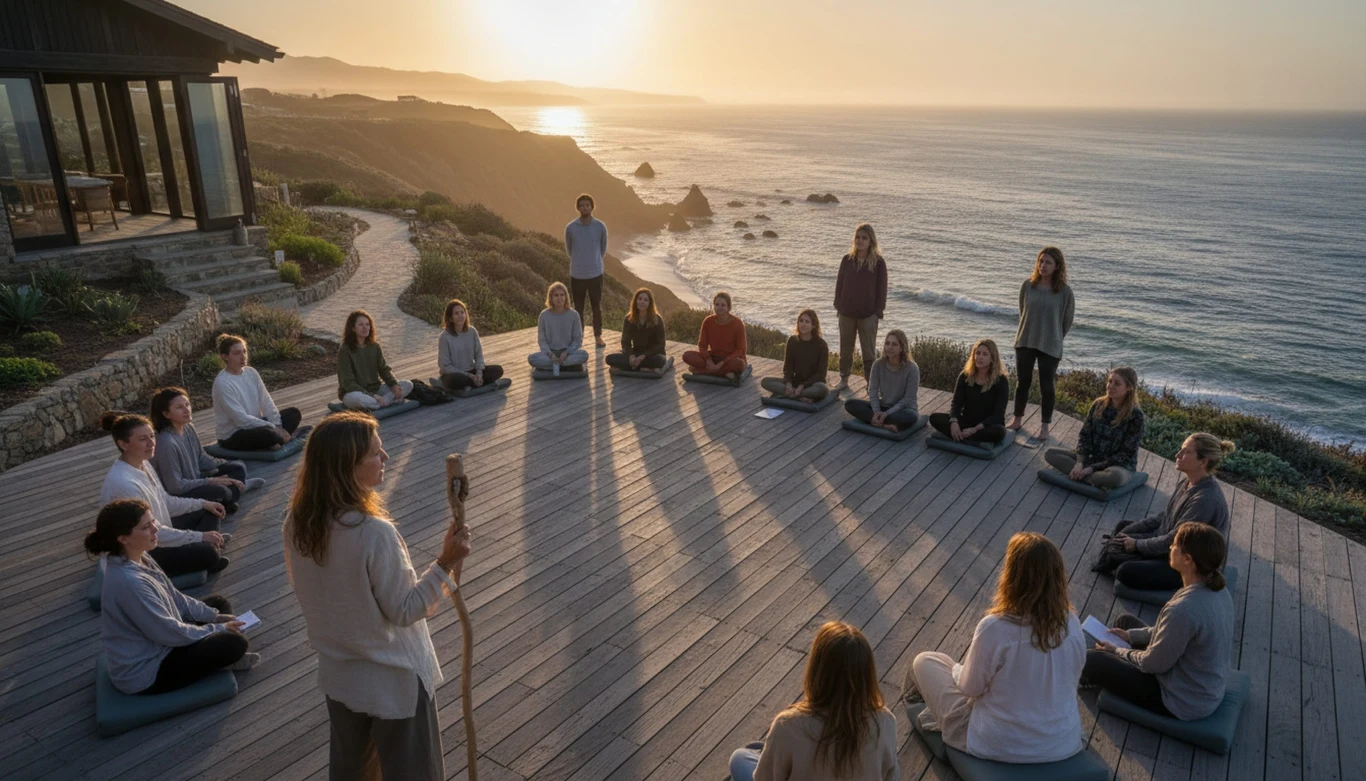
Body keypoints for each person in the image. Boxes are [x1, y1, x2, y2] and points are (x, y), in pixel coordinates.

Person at [284, 412, 472, 781]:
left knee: (352, 773)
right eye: (375, 452)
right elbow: (405, 610)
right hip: (392, 681)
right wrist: (445, 562)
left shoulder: (297, 523)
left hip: (340, 675)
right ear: (347, 467)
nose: (385, 457)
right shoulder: (373, 534)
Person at [909, 533, 1086, 763]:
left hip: (998, 743)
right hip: (1062, 742)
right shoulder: (1072, 623)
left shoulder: (995, 627)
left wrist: (957, 670)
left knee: (925, 661)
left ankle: (920, 716)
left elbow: (969, 688)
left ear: (1012, 576)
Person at [85, 499, 257, 695]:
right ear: (123, 538)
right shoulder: (130, 583)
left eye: (153, 523)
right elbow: (169, 633)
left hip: (160, 640)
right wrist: (218, 629)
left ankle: (213, 649)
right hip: (147, 670)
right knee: (235, 644)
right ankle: (219, 662)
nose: (155, 530)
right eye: (146, 527)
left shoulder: (139, 555)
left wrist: (214, 617)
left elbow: (174, 597)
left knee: (218, 605)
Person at [1083, 523, 1234, 720]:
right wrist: (1130, 636)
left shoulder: (1184, 609)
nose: (1171, 547)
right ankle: (1119, 649)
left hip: (1182, 699)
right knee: (1125, 623)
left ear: (1188, 560)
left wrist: (1117, 651)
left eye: (1176, 545)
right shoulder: (1218, 589)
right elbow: (1173, 631)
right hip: (1196, 680)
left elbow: (1151, 664)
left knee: (1091, 660)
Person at [729, 621, 898, 781]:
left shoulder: (789, 725)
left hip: (787, 744)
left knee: (740, 757)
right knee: (757, 749)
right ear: (867, 674)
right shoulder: (884, 722)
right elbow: (892, 776)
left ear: (817, 670)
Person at [98, 412, 230, 577]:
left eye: (152, 436)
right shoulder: (125, 484)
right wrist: (198, 536)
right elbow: (153, 533)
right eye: (142, 439)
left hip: (158, 530)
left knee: (211, 508)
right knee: (208, 554)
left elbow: (166, 502)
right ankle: (209, 549)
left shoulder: (143, 463)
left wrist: (202, 504)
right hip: (145, 549)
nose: (152, 443)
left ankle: (210, 545)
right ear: (123, 444)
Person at [1094, 433, 1234, 586]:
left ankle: (1124, 558)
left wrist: (1137, 544)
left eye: (1186, 452)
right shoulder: (1187, 482)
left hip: (1187, 563)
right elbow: (1164, 517)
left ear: (1203, 462)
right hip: (1170, 546)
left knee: (1125, 571)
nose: (1178, 455)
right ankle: (1123, 554)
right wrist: (1127, 534)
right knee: (1123, 527)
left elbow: (1175, 539)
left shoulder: (1205, 500)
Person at [149, 386, 265, 515]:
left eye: (187, 404)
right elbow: (175, 487)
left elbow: (201, 458)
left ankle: (230, 496)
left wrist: (222, 464)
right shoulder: (166, 442)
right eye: (179, 407)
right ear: (166, 414)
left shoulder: (188, 427)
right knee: (222, 491)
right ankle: (230, 496)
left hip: (198, 478)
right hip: (183, 493)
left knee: (237, 467)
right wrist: (210, 481)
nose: (186, 410)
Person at [1008, 247, 1075, 441]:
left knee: (1047, 387)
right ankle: (1017, 419)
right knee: (1023, 382)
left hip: (1050, 345)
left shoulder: (1065, 292)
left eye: (1048, 263)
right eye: (1041, 261)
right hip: (1026, 340)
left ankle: (1045, 427)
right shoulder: (1028, 286)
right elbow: (1023, 311)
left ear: (1057, 267)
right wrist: (1031, 331)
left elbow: (1067, 321)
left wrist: (1053, 336)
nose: (1043, 266)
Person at [1044, 367, 1145, 488]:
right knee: (1050, 454)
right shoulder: (1098, 404)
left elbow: (1126, 453)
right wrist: (1080, 462)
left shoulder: (1136, 416)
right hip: (1093, 458)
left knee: (1115, 478)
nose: (1110, 386)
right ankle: (1088, 477)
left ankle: (1085, 476)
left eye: (1117, 384)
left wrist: (1092, 468)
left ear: (1129, 388)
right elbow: (1085, 435)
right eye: (1109, 381)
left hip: (1118, 465)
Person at [212, 334, 305, 451]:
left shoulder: (251, 372)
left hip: (257, 424)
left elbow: (266, 401)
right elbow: (241, 420)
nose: (243, 357)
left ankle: (276, 440)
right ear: (225, 356)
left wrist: (277, 425)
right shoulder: (222, 383)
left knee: (293, 414)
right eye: (237, 353)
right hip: (234, 434)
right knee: (268, 434)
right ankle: (277, 439)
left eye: (244, 351)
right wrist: (273, 429)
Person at [833, 223, 887, 392]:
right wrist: (838, 305)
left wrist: (877, 312)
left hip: (868, 315)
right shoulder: (847, 260)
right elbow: (839, 283)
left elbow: (882, 289)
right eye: (858, 237)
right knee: (845, 349)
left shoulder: (878, 263)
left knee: (869, 353)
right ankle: (844, 379)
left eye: (864, 238)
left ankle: (870, 384)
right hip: (846, 313)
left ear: (871, 241)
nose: (860, 241)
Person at [929, 338, 1010, 444]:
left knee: (999, 432)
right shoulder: (965, 376)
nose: (979, 357)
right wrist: (954, 422)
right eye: (978, 353)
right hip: (967, 421)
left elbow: (998, 414)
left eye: (985, 354)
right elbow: (956, 404)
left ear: (992, 358)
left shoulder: (1001, 381)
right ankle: (969, 437)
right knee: (934, 418)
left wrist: (975, 429)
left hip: (987, 425)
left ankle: (964, 436)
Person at [844, 330, 919, 433]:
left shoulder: (912, 368)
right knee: (850, 404)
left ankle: (879, 421)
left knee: (912, 417)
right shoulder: (878, 364)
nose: (889, 347)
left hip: (904, 409)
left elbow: (908, 399)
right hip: (883, 406)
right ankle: (887, 423)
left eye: (894, 344)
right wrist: (876, 412)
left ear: (902, 348)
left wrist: (886, 414)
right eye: (887, 343)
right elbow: (873, 391)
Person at [338, 309, 412, 410]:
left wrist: (394, 385)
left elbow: (384, 370)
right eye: (361, 325)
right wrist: (371, 396)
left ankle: (380, 403)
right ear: (353, 328)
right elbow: (347, 383)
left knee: (407, 385)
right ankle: (386, 401)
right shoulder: (345, 350)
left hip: (376, 390)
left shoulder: (374, 346)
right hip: (354, 393)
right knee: (362, 400)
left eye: (367, 324)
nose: (365, 328)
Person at [564, 193, 609, 348]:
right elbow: (569, 249)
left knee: (596, 306)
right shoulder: (571, 228)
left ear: (592, 207)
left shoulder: (600, 226)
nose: (584, 207)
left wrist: (594, 261)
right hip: (577, 274)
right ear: (578, 208)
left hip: (595, 273)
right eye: (582, 205)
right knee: (578, 308)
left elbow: (603, 248)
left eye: (587, 205)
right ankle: (579, 338)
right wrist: (580, 261)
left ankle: (598, 336)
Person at [760, 309, 830, 402]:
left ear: (813, 325)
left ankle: (790, 395)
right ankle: (800, 396)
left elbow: (821, 374)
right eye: (801, 321)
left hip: (812, 384)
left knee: (822, 389)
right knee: (765, 381)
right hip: (794, 383)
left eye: (807, 322)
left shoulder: (821, 345)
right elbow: (788, 367)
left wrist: (803, 385)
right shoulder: (792, 341)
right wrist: (788, 383)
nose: (803, 324)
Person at [437, 299, 504, 392]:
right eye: (456, 313)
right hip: (454, 374)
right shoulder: (444, 337)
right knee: (456, 380)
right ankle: (475, 383)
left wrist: (479, 373)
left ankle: (473, 383)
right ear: (450, 318)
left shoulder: (472, 331)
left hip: (472, 370)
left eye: (462, 312)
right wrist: (469, 376)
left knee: (498, 370)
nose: (460, 316)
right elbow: (444, 366)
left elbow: (479, 355)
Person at [682, 291, 748, 381]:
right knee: (686, 356)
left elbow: (741, 350)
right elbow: (702, 346)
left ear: (729, 307)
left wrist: (722, 363)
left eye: (723, 305)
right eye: (717, 305)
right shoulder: (708, 321)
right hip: (714, 357)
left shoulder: (738, 323)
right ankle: (724, 373)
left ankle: (702, 371)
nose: (719, 308)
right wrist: (708, 361)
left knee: (739, 364)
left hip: (730, 359)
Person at [527, 281, 590, 374]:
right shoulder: (544, 315)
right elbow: (542, 340)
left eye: (562, 295)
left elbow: (577, 339)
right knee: (532, 358)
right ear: (551, 298)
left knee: (584, 355)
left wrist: (566, 352)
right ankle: (565, 365)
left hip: (568, 353)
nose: (559, 298)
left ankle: (555, 365)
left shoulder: (574, 315)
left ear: (566, 297)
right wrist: (551, 355)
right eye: (556, 295)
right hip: (550, 353)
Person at [606, 287, 669, 373]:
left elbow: (660, 344)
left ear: (650, 303)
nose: (642, 302)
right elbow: (625, 342)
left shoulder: (657, 319)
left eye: (646, 300)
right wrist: (631, 356)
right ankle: (644, 368)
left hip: (652, 355)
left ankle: (631, 367)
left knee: (660, 360)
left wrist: (643, 356)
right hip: (636, 354)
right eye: (640, 299)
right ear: (635, 301)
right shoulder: (629, 318)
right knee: (609, 359)